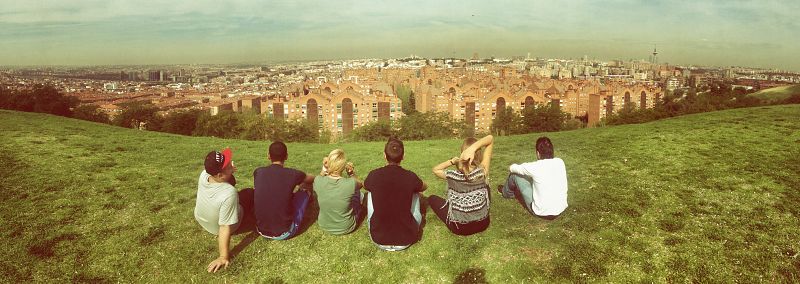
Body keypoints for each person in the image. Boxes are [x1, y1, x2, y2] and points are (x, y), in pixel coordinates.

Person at [194, 148, 255, 273]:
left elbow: (227, 180)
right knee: (249, 193)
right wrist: (223, 257)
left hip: (202, 219)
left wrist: (229, 171)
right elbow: (224, 227)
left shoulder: (204, 175)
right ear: (220, 175)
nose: (231, 164)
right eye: (228, 165)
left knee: (235, 194)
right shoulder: (229, 193)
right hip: (217, 227)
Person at [364, 137, 427, 251]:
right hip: (406, 239)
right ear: (403, 156)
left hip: (379, 239)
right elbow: (424, 187)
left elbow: (365, 185)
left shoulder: (374, 175)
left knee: (369, 192)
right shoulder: (410, 176)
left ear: (384, 155)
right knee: (416, 192)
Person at [431, 135, 494, 235]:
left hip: (460, 228)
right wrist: (473, 148)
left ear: (462, 153)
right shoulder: (483, 171)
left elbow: (436, 170)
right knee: (486, 187)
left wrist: (452, 161)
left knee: (432, 198)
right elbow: (490, 139)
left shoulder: (452, 175)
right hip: (483, 224)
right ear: (478, 155)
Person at [253, 141, 315, 240]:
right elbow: (311, 179)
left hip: (261, 230)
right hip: (285, 232)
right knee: (305, 186)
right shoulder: (293, 174)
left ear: (268, 156)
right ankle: (310, 203)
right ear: (286, 156)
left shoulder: (258, 172)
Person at [499, 136, 568, 219]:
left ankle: (507, 193)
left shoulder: (535, 167)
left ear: (538, 153)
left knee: (515, 175)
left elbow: (512, 168)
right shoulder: (560, 162)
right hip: (560, 209)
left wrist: (511, 167)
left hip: (541, 212)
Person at [313, 149, 364, 235]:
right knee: (358, 194)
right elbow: (360, 184)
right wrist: (351, 173)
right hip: (347, 227)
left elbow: (320, 177)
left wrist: (324, 169)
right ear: (343, 166)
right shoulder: (350, 183)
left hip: (324, 225)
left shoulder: (318, 181)